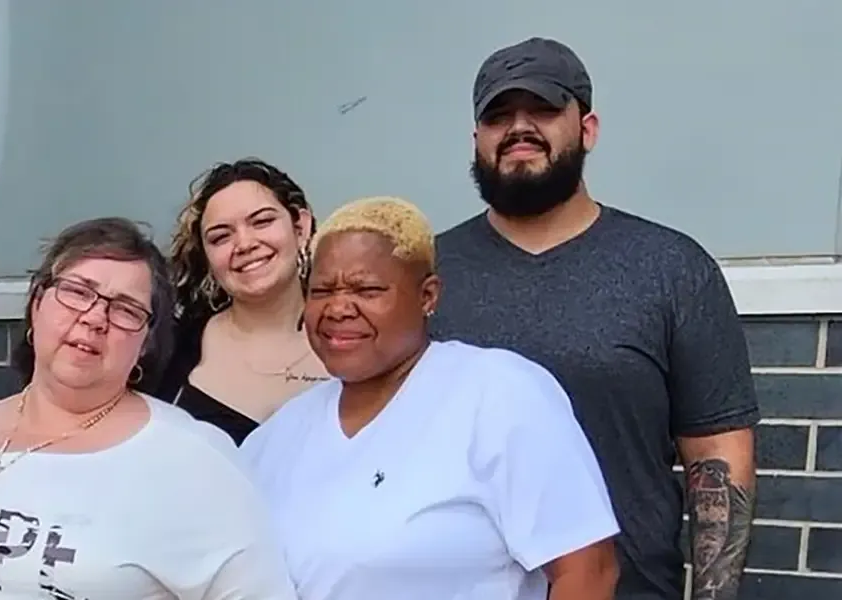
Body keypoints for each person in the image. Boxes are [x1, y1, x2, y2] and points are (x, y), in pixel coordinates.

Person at [430, 37, 758, 600]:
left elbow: (717, 454)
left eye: (543, 109)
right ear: (476, 139)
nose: (519, 127)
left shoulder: (670, 267)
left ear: (588, 128)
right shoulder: (428, 275)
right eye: (499, 115)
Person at [0, 217, 297, 599]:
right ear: (36, 304)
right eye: (78, 291)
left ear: (146, 344)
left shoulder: (191, 457)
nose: (95, 318)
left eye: (125, 309)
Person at [240, 196, 619, 600]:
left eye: (366, 290)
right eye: (321, 290)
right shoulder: (275, 439)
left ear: (427, 297)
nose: (338, 308)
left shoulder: (498, 393)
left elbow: (588, 572)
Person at [149, 158, 329, 444]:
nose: (244, 244)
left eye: (262, 221)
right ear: (207, 256)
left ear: (300, 227)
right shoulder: (169, 351)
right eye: (221, 237)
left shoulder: (360, 333)